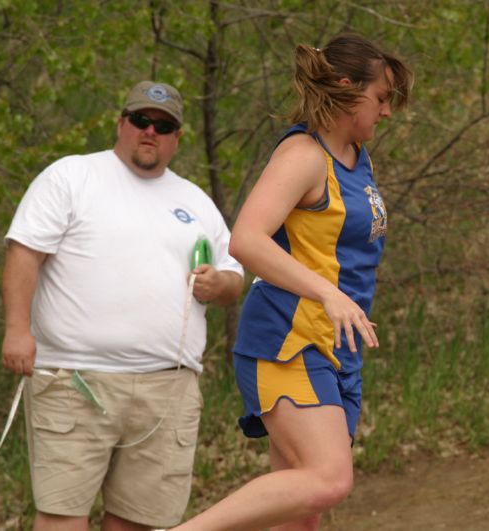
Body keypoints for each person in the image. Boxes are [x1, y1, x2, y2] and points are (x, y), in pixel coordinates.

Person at [171, 34, 413, 530]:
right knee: (328, 480)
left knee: (302, 514)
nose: (386, 113)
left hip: (334, 347)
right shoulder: (305, 154)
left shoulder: (357, 158)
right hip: (288, 339)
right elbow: (246, 240)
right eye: (381, 98)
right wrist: (329, 294)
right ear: (347, 89)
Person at [1, 80, 245, 531]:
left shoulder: (196, 201)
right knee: (62, 515)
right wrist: (18, 330)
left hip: (167, 388)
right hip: (75, 378)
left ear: (177, 137)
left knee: (139, 520)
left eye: (163, 125)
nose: (150, 131)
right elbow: (24, 253)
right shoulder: (72, 176)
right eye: (140, 120)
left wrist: (219, 284)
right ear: (122, 123)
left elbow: (235, 276)